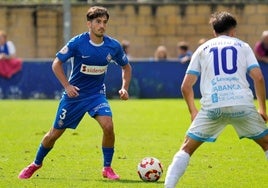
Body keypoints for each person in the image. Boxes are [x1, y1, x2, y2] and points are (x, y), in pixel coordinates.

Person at [18, 6, 132, 180]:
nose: (102, 25)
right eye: (98, 22)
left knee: (108, 126)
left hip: (96, 96)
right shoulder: (77, 43)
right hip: (74, 97)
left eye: (104, 22)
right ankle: (36, 163)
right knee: (53, 135)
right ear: (89, 24)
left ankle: (107, 168)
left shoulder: (113, 46)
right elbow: (56, 63)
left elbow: (126, 67)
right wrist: (67, 86)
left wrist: (125, 87)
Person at [164, 11, 268, 188]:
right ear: (233, 30)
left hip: (213, 107)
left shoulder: (202, 49)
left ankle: (168, 186)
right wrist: (262, 109)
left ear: (214, 31)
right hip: (241, 105)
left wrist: (193, 111)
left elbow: (186, 86)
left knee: (187, 148)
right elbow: (258, 78)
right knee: (266, 144)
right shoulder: (243, 46)